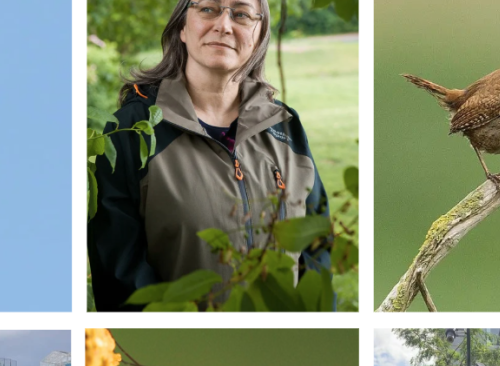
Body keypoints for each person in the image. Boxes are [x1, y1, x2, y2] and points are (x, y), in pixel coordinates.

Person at [89, 0, 330, 310]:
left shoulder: (285, 126)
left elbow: (316, 246)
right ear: (182, 27)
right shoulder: (133, 130)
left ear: (259, 36)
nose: (224, 25)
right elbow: (119, 272)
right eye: (208, 9)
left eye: (241, 14)